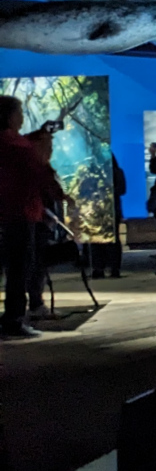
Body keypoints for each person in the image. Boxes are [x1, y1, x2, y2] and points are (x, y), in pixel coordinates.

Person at [0, 96, 62, 338]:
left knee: (14, 267)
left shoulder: (10, 141)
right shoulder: (16, 145)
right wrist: (58, 194)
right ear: (9, 116)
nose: (22, 118)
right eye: (19, 113)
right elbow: (37, 171)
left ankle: (13, 317)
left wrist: (40, 133)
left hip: (10, 212)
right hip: (20, 213)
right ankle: (14, 320)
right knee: (19, 268)